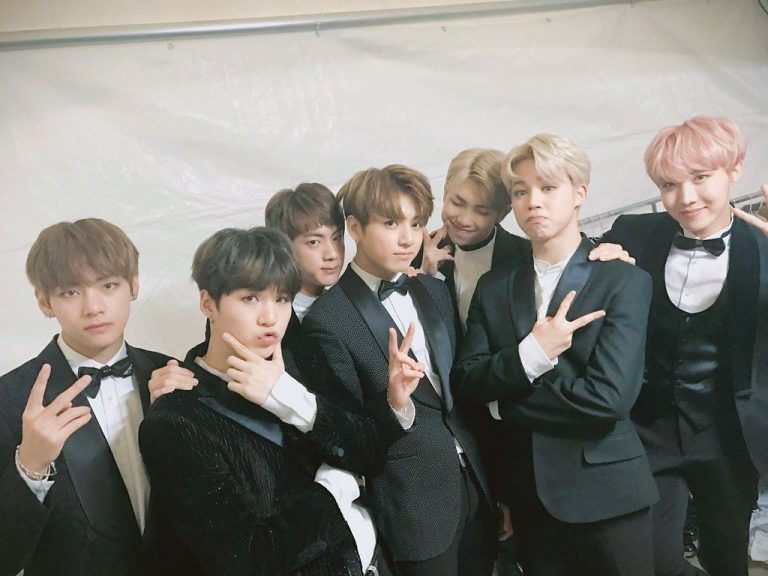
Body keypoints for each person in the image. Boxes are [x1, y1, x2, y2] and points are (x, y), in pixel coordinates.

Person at [452, 133, 658, 576]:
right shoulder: (494, 286)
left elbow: (609, 399)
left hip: (608, 494)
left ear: (579, 193)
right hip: (529, 499)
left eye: (548, 188)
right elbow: (467, 382)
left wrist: (504, 403)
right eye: (520, 192)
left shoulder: (623, 280)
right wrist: (529, 355)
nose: (533, 202)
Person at [139, 227, 386, 576]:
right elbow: (248, 558)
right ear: (208, 303)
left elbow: (373, 449)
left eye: (282, 299)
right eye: (251, 298)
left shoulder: (300, 362)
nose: (270, 317)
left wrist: (288, 398)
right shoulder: (176, 417)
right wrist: (335, 489)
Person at [302, 165, 495, 576]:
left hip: (478, 490)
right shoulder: (327, 320)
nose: (408, 238)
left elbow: (461, 399)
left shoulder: (433, 289)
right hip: (413, 511)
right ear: (355, 227)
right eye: (391, 223)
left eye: (416, 223)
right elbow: (344, 438)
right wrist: (394, 402)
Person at [601, 116, 768, 576]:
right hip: (648, 430)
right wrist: (599, 262)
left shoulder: (763, 246)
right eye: (670, 185)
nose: (686, 197)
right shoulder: (633, 232)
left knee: (726, 558)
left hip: (729, 436)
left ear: (734, 170)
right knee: (652, 560)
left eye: (701, 178)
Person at [0, 218, 175, 575]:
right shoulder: (10, 397)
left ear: (134, 285)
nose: (93, 307)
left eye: (108, 285)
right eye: (70, 292)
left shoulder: (171, 374)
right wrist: (30, 466)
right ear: (44, 301)